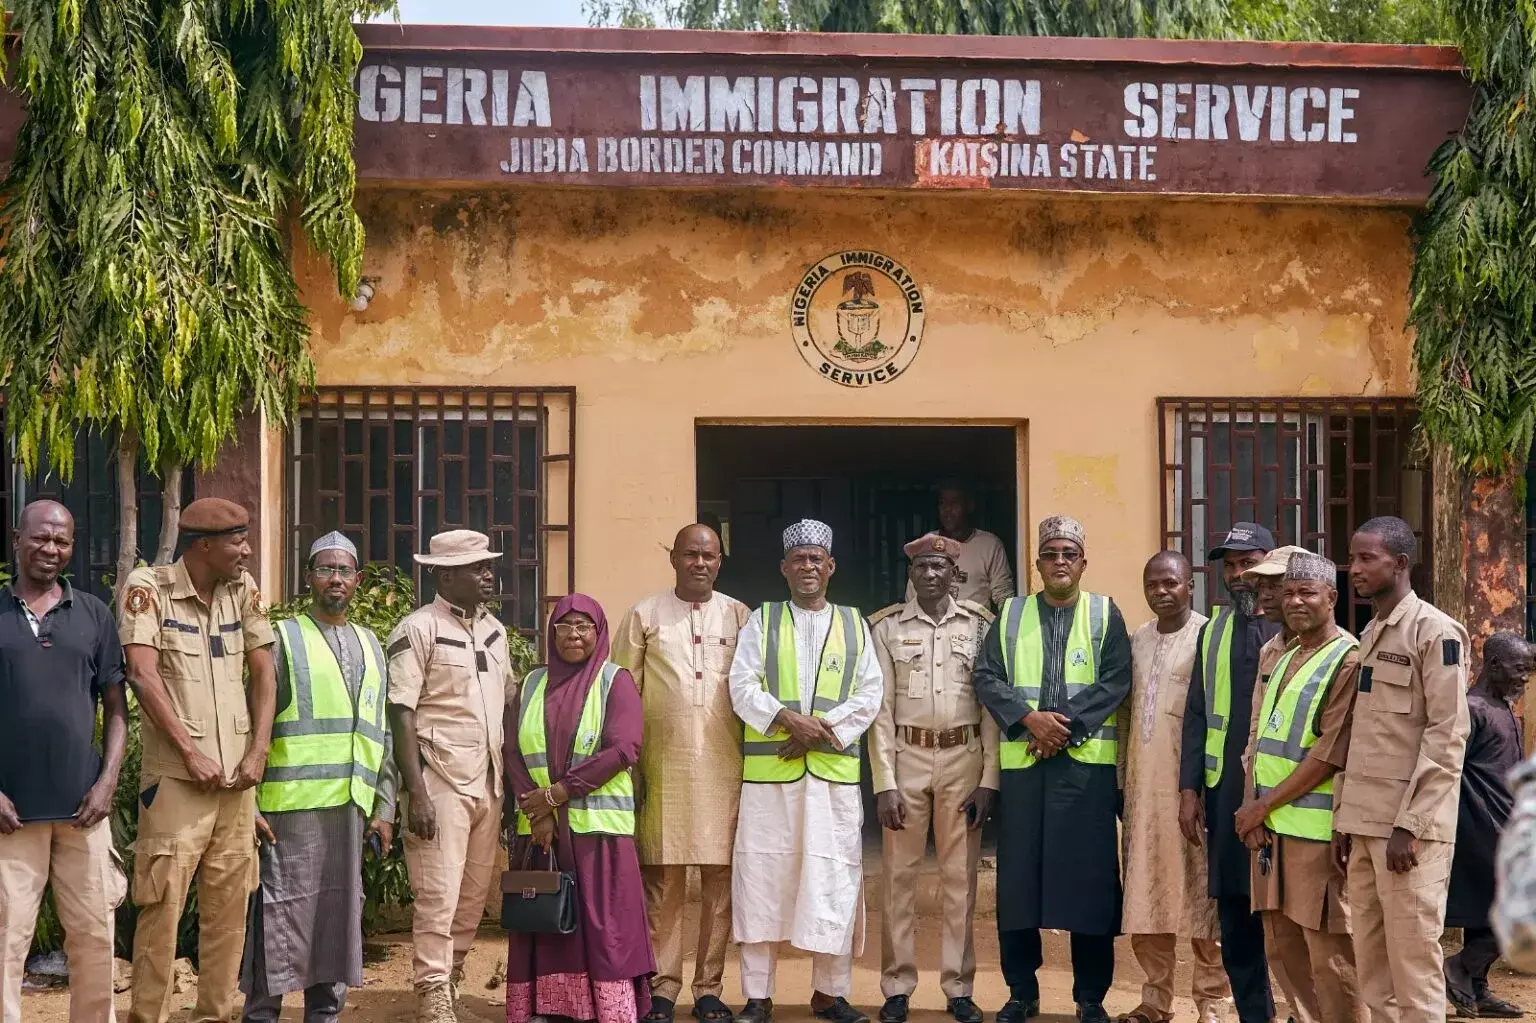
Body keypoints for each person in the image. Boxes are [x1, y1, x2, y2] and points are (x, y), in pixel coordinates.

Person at [120, 497, 276, 1023]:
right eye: (237, 541)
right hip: (176, 786)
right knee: (161, 912)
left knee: (229, 916)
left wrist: (259, 750)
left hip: (236, 785)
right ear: (203, 546)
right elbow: (142, 675)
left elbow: (265, 673)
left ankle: (215, 1015)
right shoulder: (149, 588)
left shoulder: (244, 590)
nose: (247, 549)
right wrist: (190, 753)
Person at [973, 515, 1131, 1023]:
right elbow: (986, 675)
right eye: (1049, 554)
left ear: (1083, 562)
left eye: (1068, 553)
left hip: (1085, 775)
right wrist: (1029, 720)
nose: (1059, 562)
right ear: (1037, 564)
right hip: (1024, 772)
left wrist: (1062, 731)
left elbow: (1115, 679)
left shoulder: (1106, 614)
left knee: (1090, 884)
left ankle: (1091, 998)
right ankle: (1021, 992)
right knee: (1019, 885)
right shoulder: (1012, 614)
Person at [727, 519, 883, 1023]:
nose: (808, 567)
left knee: (831, 880)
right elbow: (741, 685)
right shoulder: (762, 621)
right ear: (784, 568)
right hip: (770, 781)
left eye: (817, 559)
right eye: (799, 559)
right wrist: (785, 719)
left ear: (831, 566)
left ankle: (830, 994)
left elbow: (869, 695)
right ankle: (757, 995)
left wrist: (819, 729)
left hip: (832, 782)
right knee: (762, 878)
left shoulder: (856, 623)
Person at [240, 531, 398, 1022]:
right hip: (286, 816)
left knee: (336, 925)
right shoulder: (283, 640)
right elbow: (249, 726)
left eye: (344, 571)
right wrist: (249, 806)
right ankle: (261, 1016)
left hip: (348, 814)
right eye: (325, 569)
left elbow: (382, 735)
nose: (335, 579)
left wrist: (385, 807)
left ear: (359, 580)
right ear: (308, 578)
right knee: (277, 921)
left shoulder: (372, 645)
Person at [612, 524, 750, 1023]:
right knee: (662, 882)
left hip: (726, 767)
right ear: (673, 558)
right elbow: (622, 695)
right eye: (689, 554)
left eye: (708, 555)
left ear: (720, 561)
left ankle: (709, 988)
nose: (699, 563)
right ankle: (664, 988)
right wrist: (630, 765)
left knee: (720, 882)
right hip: (661, 767)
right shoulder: (644, 615)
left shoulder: (740, 616)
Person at [1334, 516, 1470, 1023]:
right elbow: (1363, 733)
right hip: (1365, 824)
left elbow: (1447, 735)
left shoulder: (1434, 632)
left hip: (1408, 834)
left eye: (1368, 558)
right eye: (1353, 558)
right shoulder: (1371, 632)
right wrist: (1344, 820)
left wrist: (1408, 825)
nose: (1355, 569)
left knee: (1413, 968)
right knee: (1373, 971)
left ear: (1401, 563)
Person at [0, 501, 128, 1023]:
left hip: (84, 813)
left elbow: (117, 709)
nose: (52, 549)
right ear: (17, 537)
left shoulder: (94, 613)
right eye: (42, 538)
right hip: (10, 819)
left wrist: (107, 785)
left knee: (96, 941)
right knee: (6, 941)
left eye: (63, 541)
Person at [388, 529, 519, 1023]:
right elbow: (400, 712)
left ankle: (453, 975)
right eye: (476, 567)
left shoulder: (495, 631)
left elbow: (506, 704)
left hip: (488, 781)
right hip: (439, 780)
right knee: (437, 894)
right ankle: (431, 992)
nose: (488, 574)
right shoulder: (416, 629)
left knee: (472, 896)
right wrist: (415, 792)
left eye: (488, 565)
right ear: (446, 575)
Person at [506, 594, 654, 1023]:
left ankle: (609, 1010)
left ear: (599, 633)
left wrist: (559, 794)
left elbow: (624, 748)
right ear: (552, 634)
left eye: (583, 626)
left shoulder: (615, 681)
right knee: (547, 920)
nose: (573, 634)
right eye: (564, 626)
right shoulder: (532, 683)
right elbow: (513, 751)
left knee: (602, 927)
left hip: (598, 833)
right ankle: (551, 1009)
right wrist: (539, 811)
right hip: (542, 831)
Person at [868, 534, 997, 1023]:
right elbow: (880, 712)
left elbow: (989, 707)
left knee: (959, 879)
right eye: (921, 566)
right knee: (898, 877)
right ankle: (897, 986)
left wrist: (990, 779)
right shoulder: (886, 628)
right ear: (911, 573)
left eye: (939, 566)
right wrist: (883, 782)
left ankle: (958, 986)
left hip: (963, 757)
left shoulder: (981, 626)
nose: (930, 574)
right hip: (907, 758)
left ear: (954, 574)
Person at [1234, 552, 1364, 1023]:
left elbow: (1329, 753)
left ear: (1332, 597)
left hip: (1316, 833)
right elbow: (1260, 738)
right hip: (1270, 832)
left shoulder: (1348, 658)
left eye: (1307, 592)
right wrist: (1250, 807)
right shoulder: (1284, 654)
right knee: (1281, 948)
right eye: (1287, 593)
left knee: (1329, 956)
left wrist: (1259, 807)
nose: (1295, 601)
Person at [1178, 523, 1281, 1023]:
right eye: (1232, 566)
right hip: (1224, 797)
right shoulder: (1212, 631)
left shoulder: (1296, 626)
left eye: (1250, 564)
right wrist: (1188, 789)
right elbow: (1197, 712)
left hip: (1285, 797)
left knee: (1287, 915)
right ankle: (1253, 1015)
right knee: (1235, 913)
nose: (1241, 576)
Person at [1117, 551, 1225, 1023]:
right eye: (1153, 584)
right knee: (1146, 896)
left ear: (1190, 586)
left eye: (1171, 583)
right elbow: (1124, 716)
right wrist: (1121, 780)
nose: (1161, 591)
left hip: (1193, 792)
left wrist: (1199, 788)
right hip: (1142, 793)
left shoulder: (1209, 637)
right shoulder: (1137, 641)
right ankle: (1155, 1000)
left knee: (1203, 898)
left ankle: (1213, 1002)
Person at [1444, 632, 1531, 1018]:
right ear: (1493, 665)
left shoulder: (1503, 708)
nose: (1525, 678)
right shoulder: (1471, 709)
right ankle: (1460, 965)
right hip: (1481, 827)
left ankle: (1477, 988)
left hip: (1505, 823)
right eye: (1519, 669)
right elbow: (1449, 771)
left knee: (1487, 908)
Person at [905, 482, 1015, 611]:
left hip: (975, 628)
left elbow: (1003, 596)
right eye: (942, 503)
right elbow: (912, 597)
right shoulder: (927, 543)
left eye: (954, 503)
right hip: (930, 627)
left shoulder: (989, 544)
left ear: (969, 506)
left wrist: (1008, 627)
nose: (947, 510)